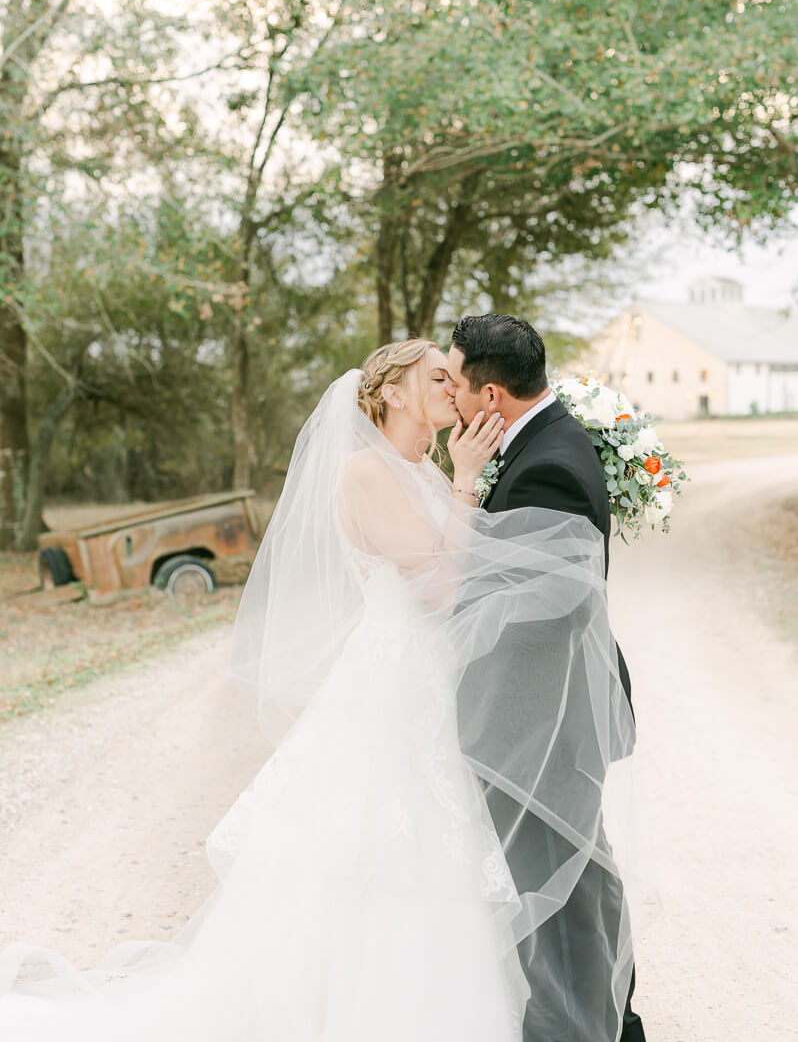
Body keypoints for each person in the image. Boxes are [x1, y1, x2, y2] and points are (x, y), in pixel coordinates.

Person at [0, 338, 636, 1042]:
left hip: (446, 685)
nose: (452, 387)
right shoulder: (369, 473)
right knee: (384, 849)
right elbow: (443, 589)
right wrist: (464, 484)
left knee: (452, 850)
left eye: (454, 377)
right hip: (396, 683)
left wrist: (464, 485)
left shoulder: (427, 467)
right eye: (437, 376)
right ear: (393, 392)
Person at [448, 313, 645, 1042]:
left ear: (491, 393)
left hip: (540, 719)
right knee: (580, 878)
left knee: (552, 893)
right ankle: (613, 1022)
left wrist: (451, 612)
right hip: (541, 716)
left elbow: (557, 603)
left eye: (457, 382)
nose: (455, 401)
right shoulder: (539, 439)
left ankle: (576, 1028)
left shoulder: (549, 463)